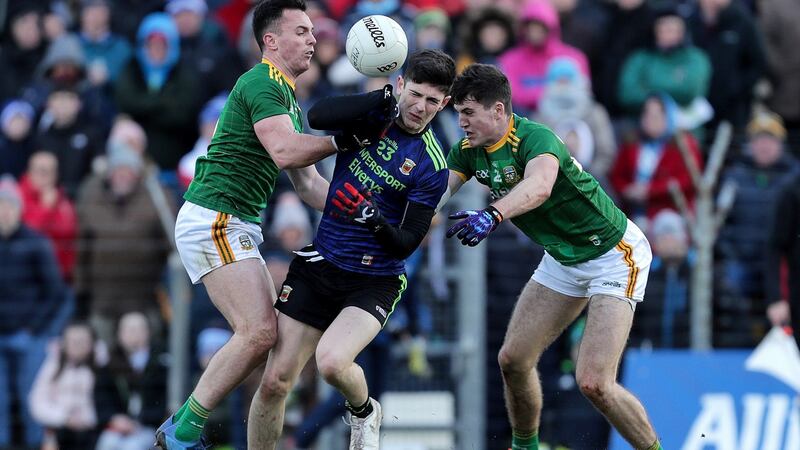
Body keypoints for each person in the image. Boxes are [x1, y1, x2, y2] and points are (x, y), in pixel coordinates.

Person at [163, 0, 394, 448]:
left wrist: (366, 218)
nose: (314, 39)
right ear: (271, 40)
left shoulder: (285, 93)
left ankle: (186, 428)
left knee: (264, 340)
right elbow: (287, 153)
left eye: (313, 32)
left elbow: (307, 185)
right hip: (216, 217)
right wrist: (344, 139)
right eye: (302, 31)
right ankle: (182, 431)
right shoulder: (263, 82)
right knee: (260, 332)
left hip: (233, 222)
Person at [442, 63, 662, 450]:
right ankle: (525, 447)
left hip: (614, 254)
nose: (461, 122)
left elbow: (539, 187)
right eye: (458, 113)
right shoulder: (467, 151)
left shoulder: (536, 137)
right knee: (512, 359)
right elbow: (433, 198)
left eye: (468, 113)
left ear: (499, 110)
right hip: (564, 258)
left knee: (594, 382)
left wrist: (493, 214)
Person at [248, 49, 455, 450]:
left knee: (330, 362)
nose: (421, 107)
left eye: (433, 101)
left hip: (374, 280)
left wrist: (372, 217)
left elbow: (407, 243)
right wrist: (376, 101)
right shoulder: (373, 116)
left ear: (444, 104)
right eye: (415, 94)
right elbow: (317, 117)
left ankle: (363, 410)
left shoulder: (432, 165)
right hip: (321, 262)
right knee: (275, 382)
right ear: (400, 85)